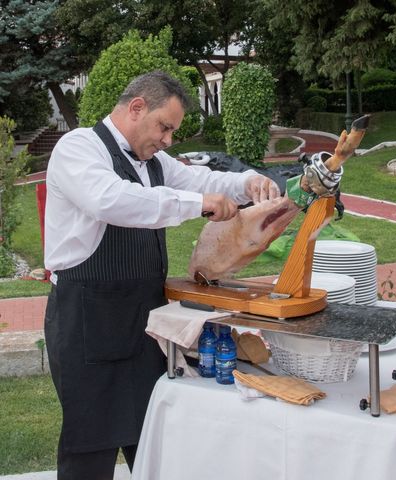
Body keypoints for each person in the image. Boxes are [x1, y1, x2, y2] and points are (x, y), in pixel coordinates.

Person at [43, 70, 280, 479]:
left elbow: (202, 178)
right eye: (165, 127)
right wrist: (197, 204)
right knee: (90, 449)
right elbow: (113, 201)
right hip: (88, 320)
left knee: (154, 436)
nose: (168, 139)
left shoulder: (153, 161)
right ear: (137, 108)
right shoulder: (77, 147)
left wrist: (247, 181)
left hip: (146, 319)